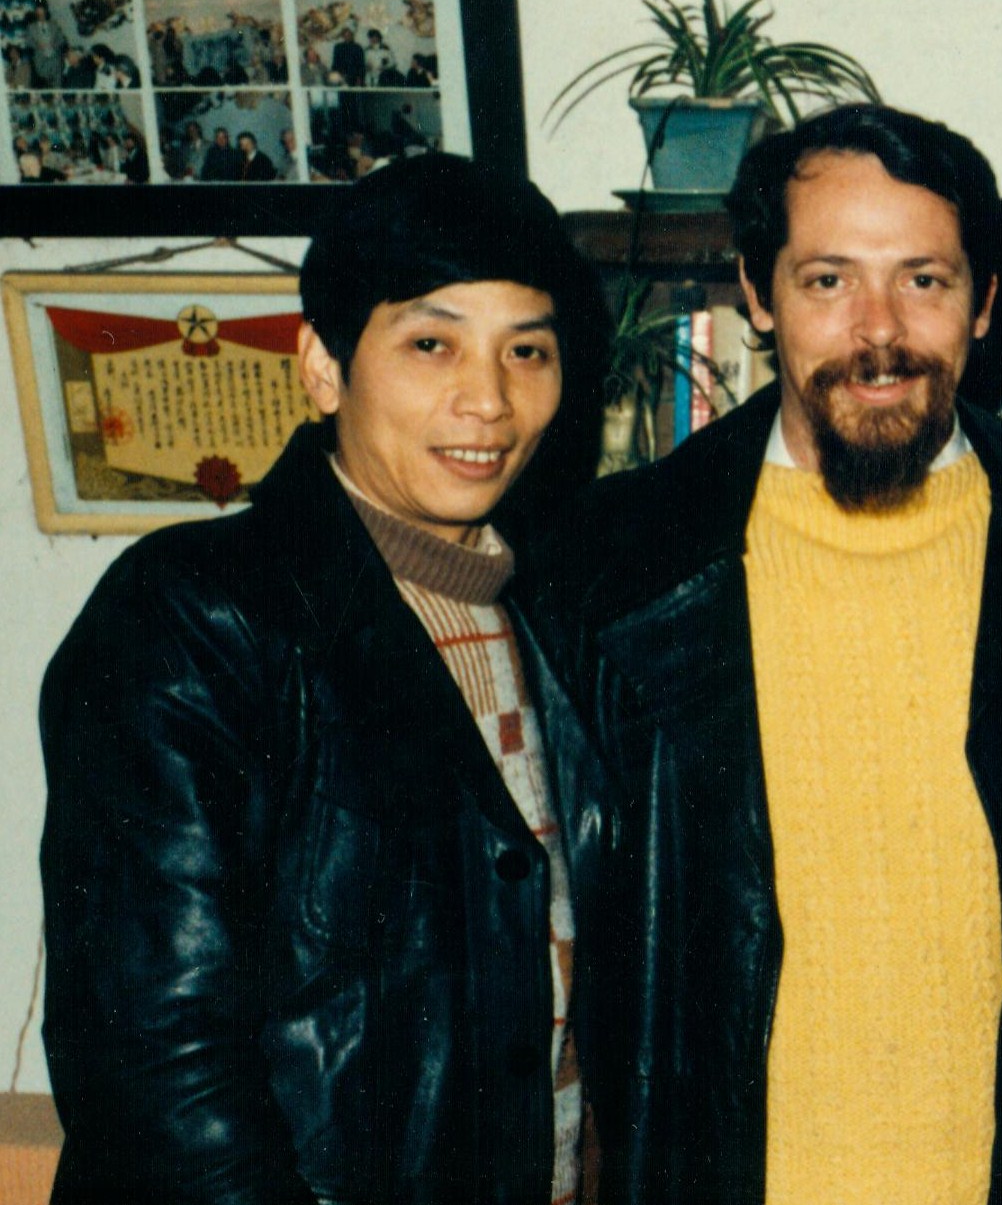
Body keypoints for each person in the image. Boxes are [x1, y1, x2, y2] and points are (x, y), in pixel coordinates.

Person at [525, 103, 1002, 1203]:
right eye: (827, 280)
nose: (878, 329)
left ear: (984, 303)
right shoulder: (610, 564)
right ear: (755, 293)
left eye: (923, 278)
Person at [40, 153, 609, 1205]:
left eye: (526, 349)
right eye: (430, 342)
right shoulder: (195, 616)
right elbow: (153, 1061)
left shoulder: (556, 609)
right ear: (322, 364)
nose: (486, 399)